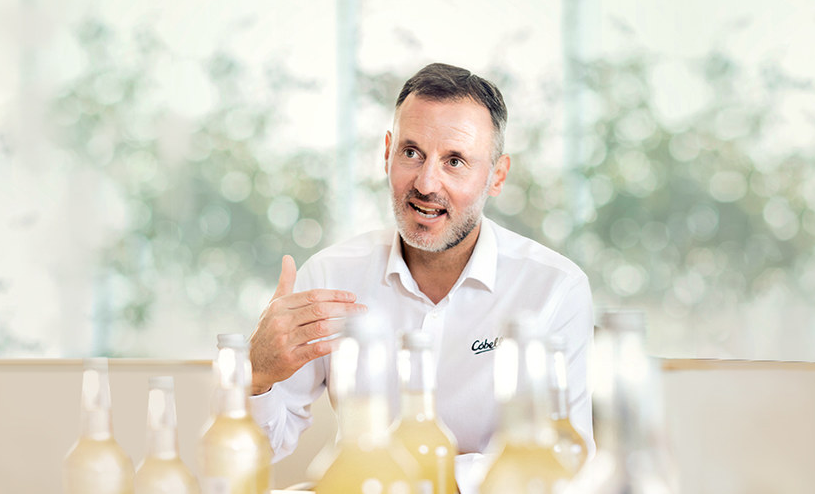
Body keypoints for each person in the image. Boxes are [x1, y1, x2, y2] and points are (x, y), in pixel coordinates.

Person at [247, 63, 594, 485]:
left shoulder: (554, 289)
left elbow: (564, 459)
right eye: (412, 153)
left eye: (455, 161)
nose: (427, 183)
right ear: (387, 152)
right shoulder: (329, 274)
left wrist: (402, 476)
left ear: (496, 176)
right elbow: (266, 446)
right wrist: (258, 377)